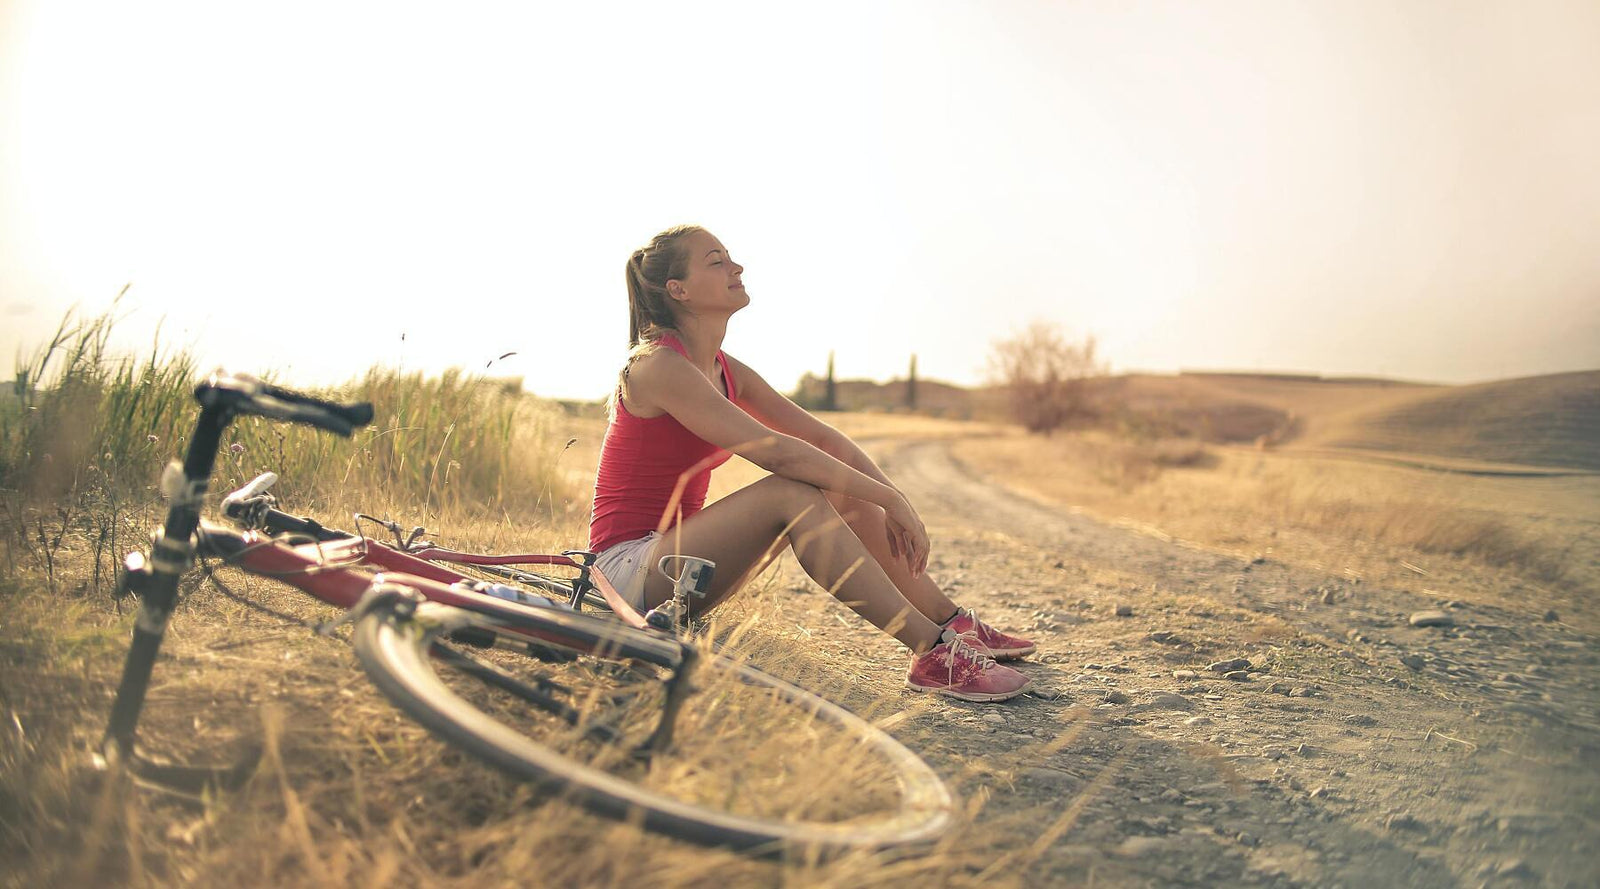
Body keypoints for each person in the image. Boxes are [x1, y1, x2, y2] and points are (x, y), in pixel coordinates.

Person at [589, 224, 1036, 702]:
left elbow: (820, 437)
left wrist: (892, 499)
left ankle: (952, 624)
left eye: (729, 257)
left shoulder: (723, 368)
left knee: (843, 486)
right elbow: (776, 450)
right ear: (678, 290)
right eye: (716, 261)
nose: (735, 267)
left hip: (682, 569)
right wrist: (887, 497)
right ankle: (932, 652)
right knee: (792, 490)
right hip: (624, 573)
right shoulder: (657, 366)